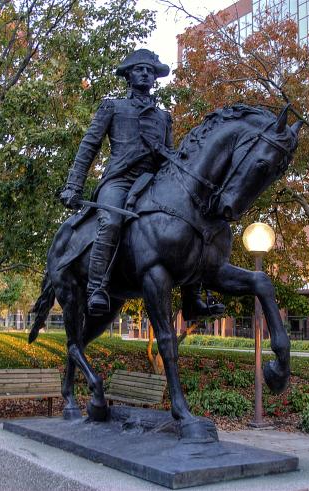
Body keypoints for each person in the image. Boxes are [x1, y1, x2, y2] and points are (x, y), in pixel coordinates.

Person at [60, 48, 224, 319]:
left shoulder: (164, 117)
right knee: (111, 221)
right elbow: (89, 146)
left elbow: (169, 156)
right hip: (119, 181)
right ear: (128, 75)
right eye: (140, 69)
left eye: (150, 70)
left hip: (153, 182)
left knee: (191, 220)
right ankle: (97, 287)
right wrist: (73, 186)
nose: (146, 73)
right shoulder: (113, 107)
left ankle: (192, 299)